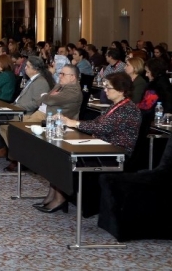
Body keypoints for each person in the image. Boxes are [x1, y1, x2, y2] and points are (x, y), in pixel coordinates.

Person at [37, 73, 142, 214]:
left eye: (108, 88)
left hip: (116, 154)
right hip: (103, 148)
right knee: (58, 154)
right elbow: (96, 123)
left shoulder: (128, 109)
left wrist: (74, 123)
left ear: (121, 90)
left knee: (63, 159)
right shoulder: (116, 106)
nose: (105, 90)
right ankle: (54, 195)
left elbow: (102, 127)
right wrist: (71, 121)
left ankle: (60, 198)